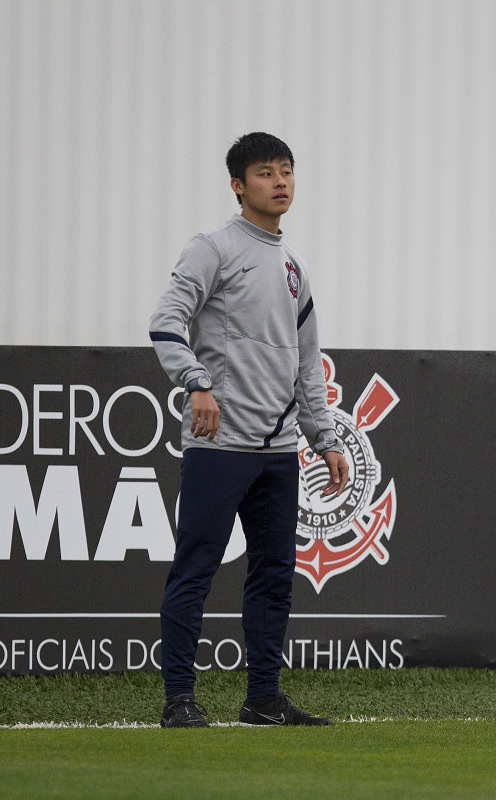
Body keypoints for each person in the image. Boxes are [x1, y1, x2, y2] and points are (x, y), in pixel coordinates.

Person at [149, 132, 349, 728]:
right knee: (196, 570)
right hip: (219, 447)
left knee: (272, 579)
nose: (280, 182)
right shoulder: (212, 248)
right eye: (266, 173)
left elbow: (306, 363)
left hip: (280, 454)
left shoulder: (294, 268)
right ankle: (178, 700)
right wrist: (196, 382)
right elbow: (166, 320)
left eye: (286, 171)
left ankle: (263, 700)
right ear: (238, 185)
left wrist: (326, 439)